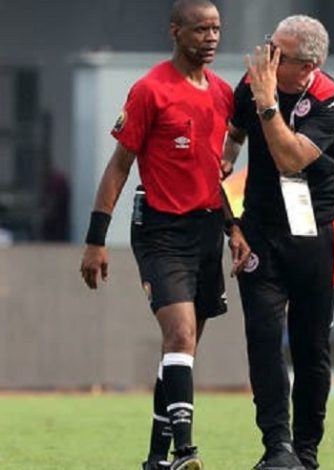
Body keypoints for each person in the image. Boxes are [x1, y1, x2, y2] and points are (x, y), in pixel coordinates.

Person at [78, 1, 250, 469]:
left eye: (216, 29)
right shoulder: (149, 90)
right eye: (200, 30)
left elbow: (219, 171)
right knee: (180, 333)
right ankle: (185, 452)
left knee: (182, 350)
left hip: (207, 231)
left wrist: (234, 227)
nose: (211, 38)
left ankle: (156, 458)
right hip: (160, 231)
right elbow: (119, 166)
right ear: (175, 32)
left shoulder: (222, 93)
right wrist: (95, 239)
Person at [222, 15, 334, 470]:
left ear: (308, 65)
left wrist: (268, 104)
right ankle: (277, 447)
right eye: (268, 46)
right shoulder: (252, 83)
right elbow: (234, 135)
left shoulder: (332, 101)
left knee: (311, 346)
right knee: (262, 336)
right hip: (261, 229)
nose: (267, 58)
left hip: (318, 232)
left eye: (279, 53)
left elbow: (290, 158)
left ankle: (306, 451)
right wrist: (224, 166)